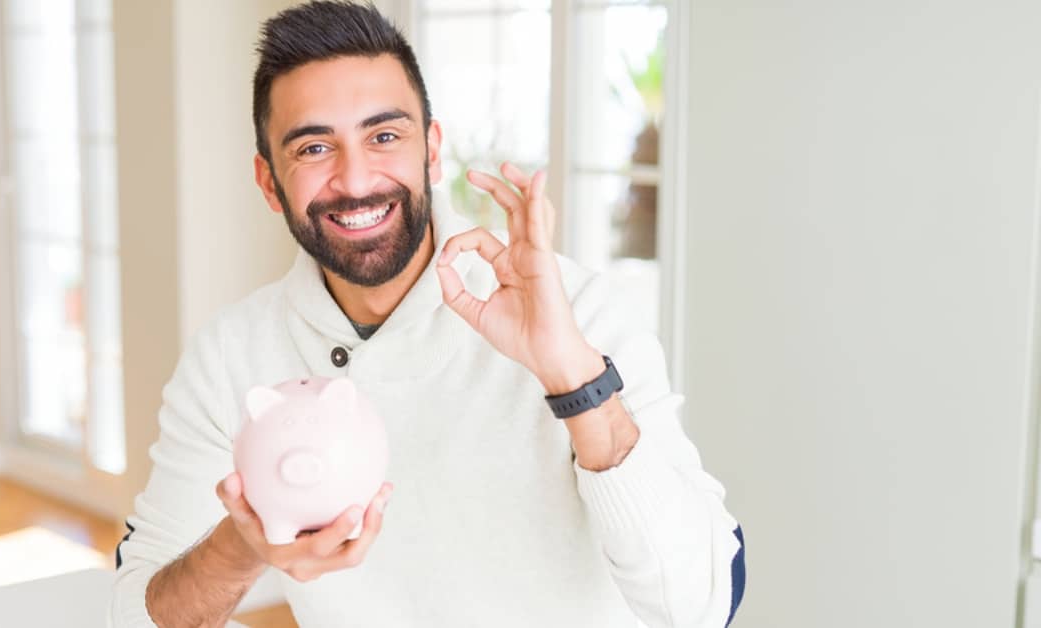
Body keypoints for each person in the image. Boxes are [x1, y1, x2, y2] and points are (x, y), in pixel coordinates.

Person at [111, 2, 745, 626]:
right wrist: (244, 539)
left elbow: (702, 606)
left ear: (432, 152)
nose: (356, 179)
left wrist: (576, 382)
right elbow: (133, 615)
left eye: (384, 136)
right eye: (312, 148)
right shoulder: (231, 356)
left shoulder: (577, 315)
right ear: (270, 182)